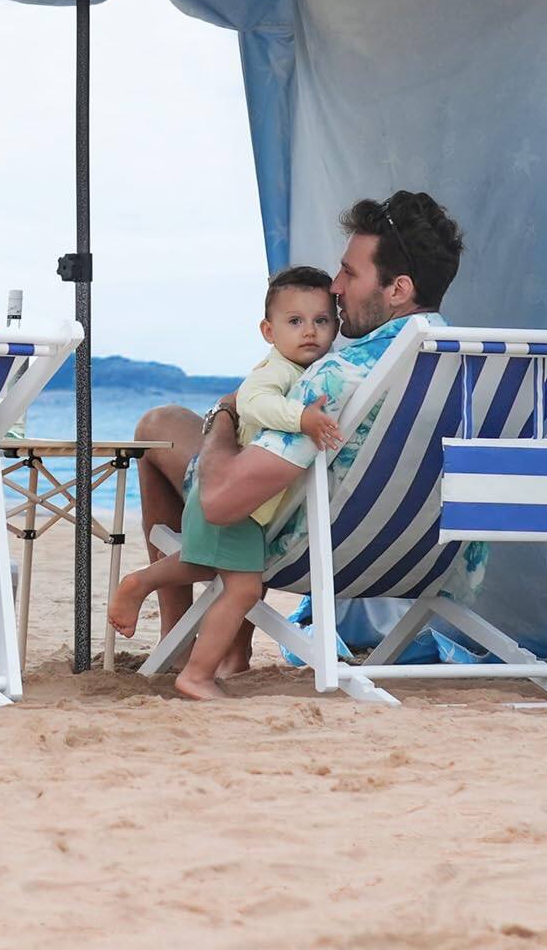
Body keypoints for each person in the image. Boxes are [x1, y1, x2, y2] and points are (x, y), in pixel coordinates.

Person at [129, 191, 466, 691]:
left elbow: (222, 502)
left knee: (159, 424)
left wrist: (227, 411)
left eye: (350, 273)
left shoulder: (341, 375)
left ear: (397, 289)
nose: (335, 286)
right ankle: (231, 647)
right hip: (426, 557)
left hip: (313, 547)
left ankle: (179, 645)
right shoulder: (471, 364)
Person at [108, 267, 344, 699]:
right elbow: (254, 403)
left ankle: (145, 588)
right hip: (236, 498)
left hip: (246, 501)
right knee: (240, 586)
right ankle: (194, 671)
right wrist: (303, 418)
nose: (309, 331)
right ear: (268, 331)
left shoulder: (310, 370)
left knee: (206, 565)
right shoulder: (274, 372)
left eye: (321, 321)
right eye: (295, 322)